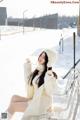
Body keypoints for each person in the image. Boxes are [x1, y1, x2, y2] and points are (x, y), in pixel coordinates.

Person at [4, 49, 58, 120]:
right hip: (35, 100)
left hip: (41, 104)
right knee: (14, 97)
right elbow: (29, 82)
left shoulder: (50, 75)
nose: (40, 58)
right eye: (41, 55)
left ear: (49, 61)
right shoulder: (39, 70)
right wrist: (27, 66)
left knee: (14, 106)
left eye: (44, 57)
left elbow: (50, 91)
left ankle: (2, 118)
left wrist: (48, 75)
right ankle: (3, 117)